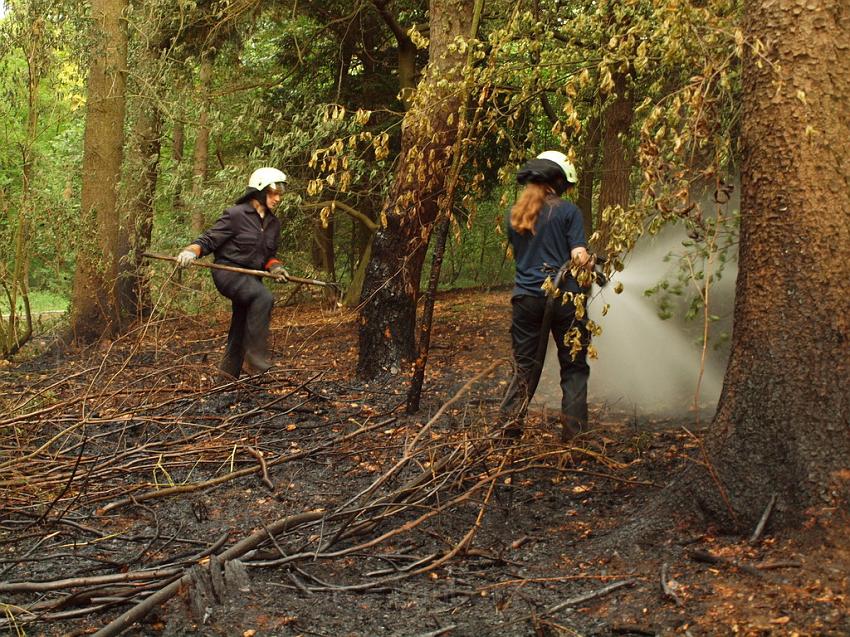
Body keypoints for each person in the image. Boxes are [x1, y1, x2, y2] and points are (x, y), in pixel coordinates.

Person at [500, 150, 595, 441]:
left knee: (524, 367)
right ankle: (574, 438)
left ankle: (508, 432)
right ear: (558, 181)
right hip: (565, 299)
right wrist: (590, 262)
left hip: (526, 300)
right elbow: (578, 258)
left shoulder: (514, 216)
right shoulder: (568, 212)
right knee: (574, 367)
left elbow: (525, 256)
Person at [175, 167, 289, 378]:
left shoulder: (274, 223)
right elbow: (208, 240)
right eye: (274, 193)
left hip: (252, 278)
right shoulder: (235, 215)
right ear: (260, 191)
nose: (278, 198)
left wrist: (276, 268)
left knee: (241, 325)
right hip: (229, 274)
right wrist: (190, 252)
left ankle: (226, 379)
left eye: (280, 194)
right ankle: (255, 356)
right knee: (264, 297)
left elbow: (269, 256)